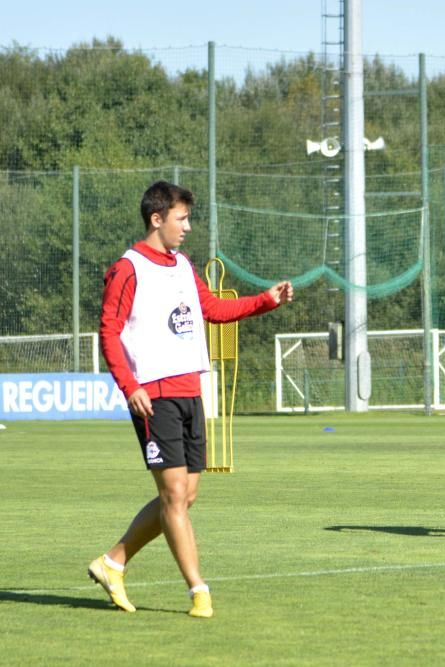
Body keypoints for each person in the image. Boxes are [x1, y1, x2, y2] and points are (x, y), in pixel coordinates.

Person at [89, 181, 293, 617]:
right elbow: (109, 331)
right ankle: (198, 591)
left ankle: (112, 562)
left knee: (183, 497)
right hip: (153, 395)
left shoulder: (183, 265)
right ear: (156, 219)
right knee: (174, 494)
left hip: (190, 391)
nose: (188, 227)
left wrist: (264, 302)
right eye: (181, 218)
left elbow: (212, 309)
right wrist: (131, 387)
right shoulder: (127, 269)